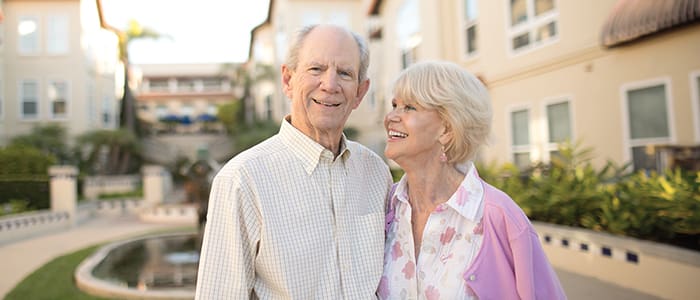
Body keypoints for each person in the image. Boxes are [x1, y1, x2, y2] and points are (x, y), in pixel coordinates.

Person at [195, 24, 393, 299]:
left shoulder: (376, 173)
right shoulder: (242, 180)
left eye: (345, 73)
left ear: (360, 92)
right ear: (288, 80)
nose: (330, 84)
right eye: (316, 69)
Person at [378, 61, 566, 299]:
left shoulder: (499, 216)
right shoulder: (386, 208)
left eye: (409, 107)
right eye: (394, 105)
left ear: (447, 128)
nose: (390, 117)